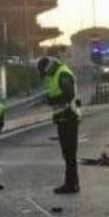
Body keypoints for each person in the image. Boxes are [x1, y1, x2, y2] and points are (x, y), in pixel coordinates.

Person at [37, 55, 82, 194]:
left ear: (49, 67)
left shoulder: (63, 74)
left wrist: (49, 100)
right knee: (67, 154)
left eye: (45, 73)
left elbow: (67, 96)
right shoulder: (56, 75)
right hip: (63, 118)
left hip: (69, 117)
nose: (46, 76)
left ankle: (72, 184)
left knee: (69, 154)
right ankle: (72, 183)